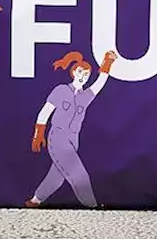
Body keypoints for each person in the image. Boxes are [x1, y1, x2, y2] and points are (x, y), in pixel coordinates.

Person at [26, 50, 118, 208]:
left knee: (57, 176)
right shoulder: (61, 90)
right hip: (58, 138)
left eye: (87, 74)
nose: (84, 76)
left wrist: (107, 63)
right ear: (74, 72)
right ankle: (92, 205)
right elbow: (45, 112)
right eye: (81, 72)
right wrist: (38, 133)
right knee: (78, 173)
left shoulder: (85, 96)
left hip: (73, 140)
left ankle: (35, 201)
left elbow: (100, 83)